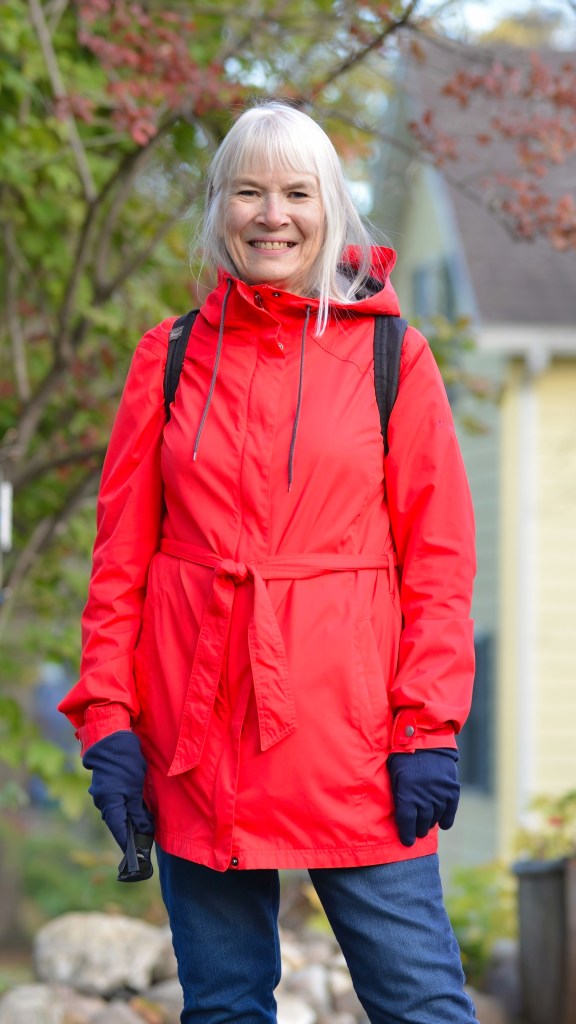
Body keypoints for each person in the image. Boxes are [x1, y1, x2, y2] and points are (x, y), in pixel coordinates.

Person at [59, 99, 478, 1024]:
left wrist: (429, 729)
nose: (272, 214)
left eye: (296, 191)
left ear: (331, 209)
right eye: (248, 191)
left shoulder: (393, 358)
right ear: (220, 210)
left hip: (355, 743)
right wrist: (108, 724)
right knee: (222, 1009)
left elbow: (440, 565)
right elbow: (118, 566)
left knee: (421, 1006)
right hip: (195, 741)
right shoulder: (165, 360)